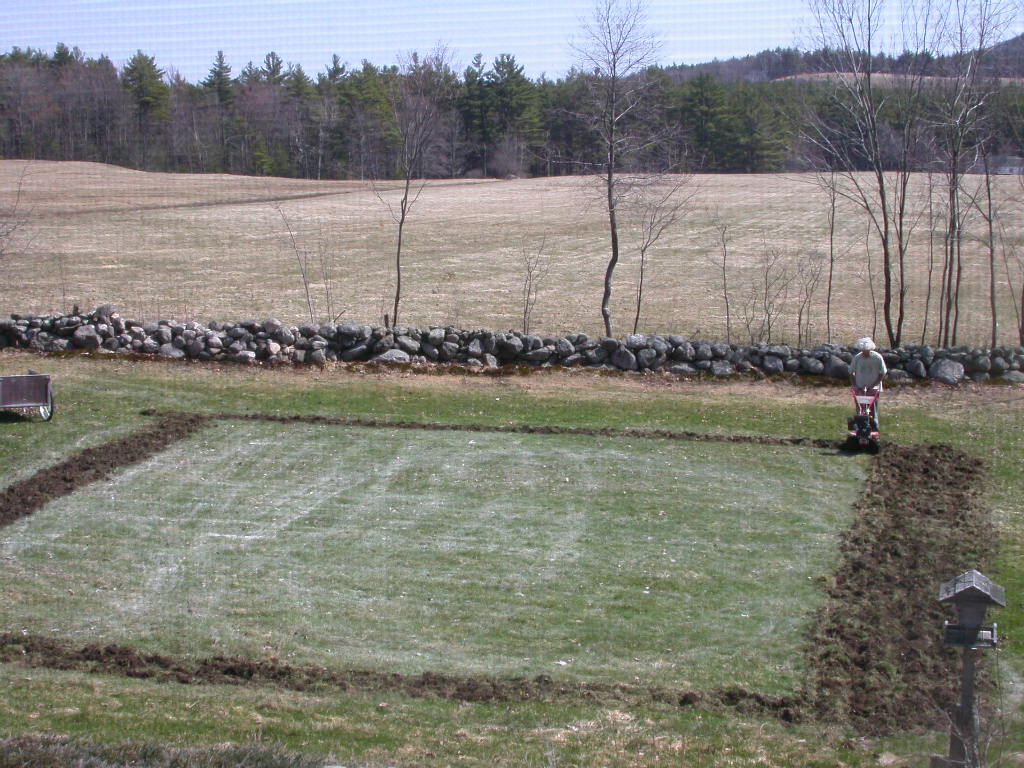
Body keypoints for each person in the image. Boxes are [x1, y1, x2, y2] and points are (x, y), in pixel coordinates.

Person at [849, 337, 886, 424]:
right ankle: (859, 426)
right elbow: (851, 372)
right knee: (860, 409)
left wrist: (874, 385)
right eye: (863, 351)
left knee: (873, 410)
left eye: (867, 351)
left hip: (873, 389)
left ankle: (874, 427)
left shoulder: (877, 358)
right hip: (859, 388)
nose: (865, 353)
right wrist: (855, 385)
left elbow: (883, 372)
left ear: (870, 349)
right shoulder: (857, 358)